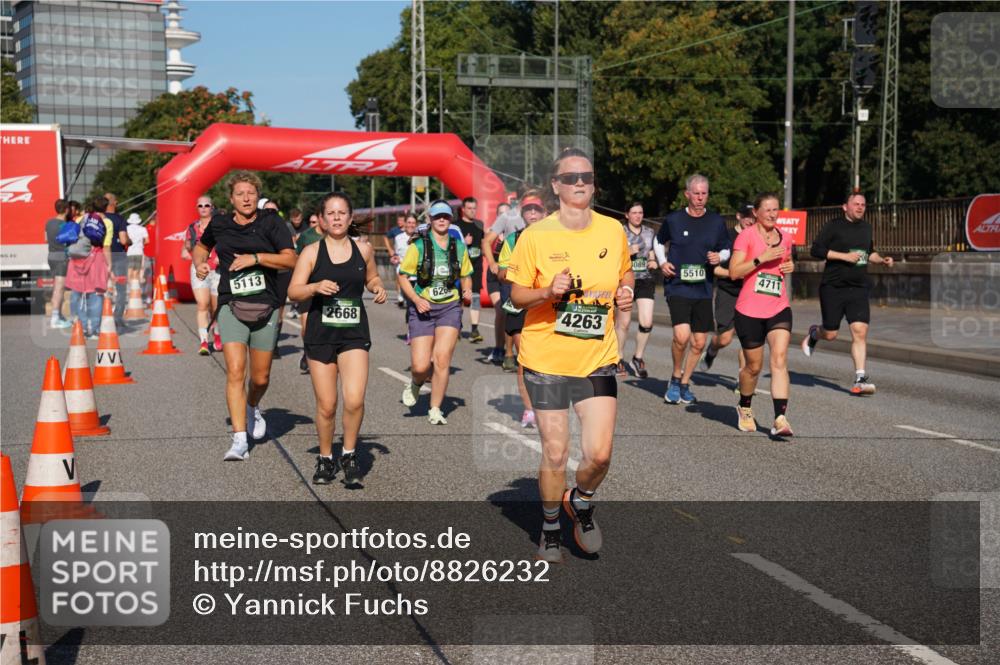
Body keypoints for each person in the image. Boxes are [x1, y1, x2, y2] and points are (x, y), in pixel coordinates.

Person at [506, 148, 634, 563]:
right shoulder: (535, 236)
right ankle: (549, 528)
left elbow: (624, 270)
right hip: (546, 358)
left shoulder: (612, 231)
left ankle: (580, 500)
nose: (581, 182)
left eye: (587, 176)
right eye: (571, 176)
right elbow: (517, 296)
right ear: (556, 186)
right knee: (557, 451)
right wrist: (546, 291)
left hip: (596, 356)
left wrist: (625, 289)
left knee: (599, 454)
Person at [192, 172, 296, 461]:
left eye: (251, 193)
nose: (246, 198)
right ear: (231, 198)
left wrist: (257, 258)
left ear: (257, 195)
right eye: (240, 194)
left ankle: (253, 406)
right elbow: (201, 247)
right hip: (231, 303)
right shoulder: (220, 223)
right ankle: (239, 439)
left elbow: (291, 258)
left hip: (267, 305)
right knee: (236, 370)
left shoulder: (271, 222)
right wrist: (200, 263)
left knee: (260, 378)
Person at [289, 192, 387, 486]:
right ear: (321, 219)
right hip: (321, 334)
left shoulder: (364, 249)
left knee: (354, 400)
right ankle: (325, 458)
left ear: (350, 216)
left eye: (341, 212)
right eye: (330, 213)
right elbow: (294, 291)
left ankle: (348, 453)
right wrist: (315, 286)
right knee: (327, 405)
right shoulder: (311, 252)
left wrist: (377, 286)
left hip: (354, 333)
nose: (336, 218)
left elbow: (371, 278)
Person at [801, 191, 894, 395]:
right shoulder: (833, 226)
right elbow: (815, 250)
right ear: (845, 207)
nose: (860, 207)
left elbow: (869, 252)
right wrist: (843, 256)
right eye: (856, 204)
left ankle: (860, 378)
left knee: (860, 332)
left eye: (863, 204)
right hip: (833, 287)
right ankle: (815, 333)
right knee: (831, 334)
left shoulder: (867, 228)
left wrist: (881, 260)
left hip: (859, 287)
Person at [655, 174, 731, 404]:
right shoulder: (674, 220)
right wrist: (662, 262)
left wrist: (720, 256)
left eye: (704, 193)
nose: (700, 197)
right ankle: (675, 378)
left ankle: (685, 382)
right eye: (696, 193)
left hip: (703, 289)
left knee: (699, 342)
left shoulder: (716, 222)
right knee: (682, 336)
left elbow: (726, 248)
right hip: (677, 285)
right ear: (687, 194)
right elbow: (659, 241)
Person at [397, 200, 474, 425]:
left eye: (446, 217)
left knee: (442, 359)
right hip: (423, 307)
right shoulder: (418, 246)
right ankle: (415, 382)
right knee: (421, 366)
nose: (442, 220)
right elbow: (403, 276)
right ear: (430, 220)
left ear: (451, 220)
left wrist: (467, 290)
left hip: (449, 306)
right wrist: (416, 299)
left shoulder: (458, 246)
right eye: (437, 216)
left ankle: (435, 408)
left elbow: (466, 274)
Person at [727, 193, 796, 436]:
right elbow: (734, 272)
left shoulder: (785, 237)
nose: (772, 214)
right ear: (755, 212)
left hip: (778, 307)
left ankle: (780, 418)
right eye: (767, 210)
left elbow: (785, 263)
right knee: (753, 368)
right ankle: (745, 407)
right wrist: (760, 258)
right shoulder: (746, 236)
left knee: (779, 359)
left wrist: (790, 266)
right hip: (749, 310)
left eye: (775, 209)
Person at [497, 194, 546, 427]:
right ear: (523, 215)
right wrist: (518, 273)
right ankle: (529, 409)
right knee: (524, 357)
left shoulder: (556, 240)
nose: (533, 214)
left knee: (547, 358)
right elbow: (501, 272)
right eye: (528, 211)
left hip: (547, 305)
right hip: (520, 303)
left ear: (544, 213)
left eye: (537, 210)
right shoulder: (513, 240)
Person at [700, 203, 756, 376]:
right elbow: (714, 270)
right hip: (728, 291)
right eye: (746, 216)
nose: (750, 220)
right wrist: (734, 274)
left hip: (750, 293)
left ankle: (743, 378)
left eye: (753, 217)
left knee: (749, 339)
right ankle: (712, 350)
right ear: (738, 216)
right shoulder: (725, 238)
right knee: (724, 339)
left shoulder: (757, 237)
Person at [614, 202, 658, 378]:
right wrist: (628, 251)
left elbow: (652, 252)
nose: (638, 216)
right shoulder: (620, 232)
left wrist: (653, 261)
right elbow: (612, 255)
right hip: (625, 280)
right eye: (634, 213)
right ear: (627, 215)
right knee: (623, 323)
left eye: (640, 212)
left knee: (646, 322)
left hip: (645, 280)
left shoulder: (649, 232)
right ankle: (618, 358)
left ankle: (637, 358)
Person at [484, 199, 527, 366]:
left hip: (524, 272)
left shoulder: (532, 220)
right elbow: (486, 241)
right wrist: (492, 263)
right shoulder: (503, 221)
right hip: (504, 270)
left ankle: (518, 353)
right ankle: (504, 351)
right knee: (506, 311)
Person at [65, 199, 110, 338]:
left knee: (78, 294)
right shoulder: (106, 222)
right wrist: (109, 265)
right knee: (96, 295)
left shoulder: (79, 220)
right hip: (95, 260)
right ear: (105, 207)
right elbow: (106, 246)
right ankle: (95, 330)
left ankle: (82, 327)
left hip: (78, 261)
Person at [182, 196, 221, 355]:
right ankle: (204, 341)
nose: (203, 208)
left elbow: (227, 244)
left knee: (216, 307)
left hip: (217, 270)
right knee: (202, 304)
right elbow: (187, 247)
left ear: (212, 207)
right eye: (200, 206)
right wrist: (189, 252)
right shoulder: (192, 228)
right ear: (197, 209)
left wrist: (221, 256)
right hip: (199, 271)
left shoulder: (219, 226)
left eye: (207, 205)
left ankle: (217, 334)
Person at [295, 210, 324, 373]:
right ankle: (307, 351)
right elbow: (296, 258)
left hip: (328, 287)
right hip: (308, 286)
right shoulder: (306, 237)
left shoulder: (336, 236)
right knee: (307, 326)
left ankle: (320, 356)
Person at [455, 197, 486, 343]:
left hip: (476, 267)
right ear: (463, 209)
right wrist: (464, 243)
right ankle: (457, 327)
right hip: (459, 269)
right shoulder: (456, 226)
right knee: (459, 298)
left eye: (474, 208)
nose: (472, 211)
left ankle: (474, 329)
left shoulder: (480, 225)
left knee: (475, 297)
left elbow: (484, 244)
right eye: (469, 208)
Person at [103, 193, 131, 328]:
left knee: (100, 287)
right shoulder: (119, 219)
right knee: (120, 288)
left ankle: (100, 316)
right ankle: (117, 317)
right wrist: (129, 241)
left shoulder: (97, 218)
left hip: (101, 255)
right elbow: (124, 240)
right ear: (115, 203)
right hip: (118, 255)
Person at [45, 199, 72, 329]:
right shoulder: (66, 225)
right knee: (59, 288)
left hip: (51, 256)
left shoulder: (49, 222)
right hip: (62, 257)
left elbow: (45, 239)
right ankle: (55, 318)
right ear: (66, 210)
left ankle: (59, 315)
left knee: (57, 286)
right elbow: (70, 242)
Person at [126, 212, 148, 288]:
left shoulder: (126, 229)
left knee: (129, 270)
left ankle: (129, 289)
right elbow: (147, 241)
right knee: (137, 271)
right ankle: (135, 288)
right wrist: (140, 243)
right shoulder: (143, 229)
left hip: (129, 252)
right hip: (139, 251)